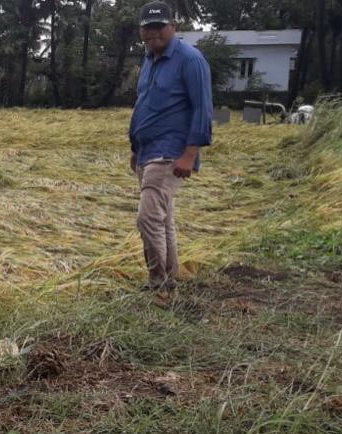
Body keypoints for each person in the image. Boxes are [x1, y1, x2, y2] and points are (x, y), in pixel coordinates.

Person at [128, 1, 213, 292]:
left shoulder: (190, 60)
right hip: (148, 150)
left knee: (148, 217)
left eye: (158, 27)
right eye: (146, 29)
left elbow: (203, 108)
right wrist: (135, 146)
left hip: (171, 153)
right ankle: (169, 278)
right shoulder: (149, 60)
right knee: (163, 220)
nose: (152, 34)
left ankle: (159, 282)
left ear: (172, 27)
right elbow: (145, 105)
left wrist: (190, 154)